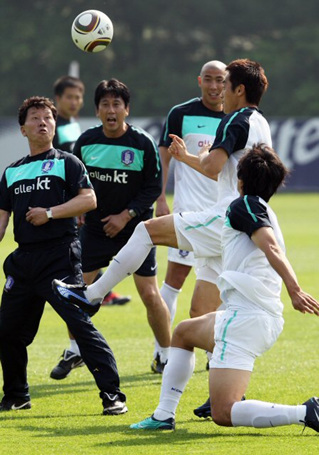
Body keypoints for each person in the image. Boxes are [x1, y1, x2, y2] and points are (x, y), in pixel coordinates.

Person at [52, 59, 271, 392]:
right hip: (241, 223)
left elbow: (213, 167)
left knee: (146, 230)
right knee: (197, 318)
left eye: (225, 85)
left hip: (227, 218)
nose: (219, 91)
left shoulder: (234, 120)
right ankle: (195, 400)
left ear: (239, 89)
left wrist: (184, 157)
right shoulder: (261, 122)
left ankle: (91, 296)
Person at [128, 143, 319, 432]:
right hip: (251, 316)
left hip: (246, 319)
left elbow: (270, 246)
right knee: (183, 332)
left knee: (224, 412)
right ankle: (163, 415)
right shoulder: (263, 208)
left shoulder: (243, 205)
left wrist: (294, 289)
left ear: (239, 180)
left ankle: (305, 412)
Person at [0, 96, 127, 415]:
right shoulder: (11, 172)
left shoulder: (67, 162)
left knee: (79, 324)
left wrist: (51, 213)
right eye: (35, 118)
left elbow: (89, 200)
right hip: (23, 261)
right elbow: (1, 222)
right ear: (22, 129)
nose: (42, 121)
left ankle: (113, 395)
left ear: (54, 126)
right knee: (7, 332)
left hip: (60, 256)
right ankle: (16, 395)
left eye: (47, 117)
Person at [51, 78, 171, 378]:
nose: (111, 109)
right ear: (98, 110)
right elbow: (73, 182)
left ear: (126, 109)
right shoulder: (87, 142)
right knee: (76, 289)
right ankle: (75, 349)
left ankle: (166, 355)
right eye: (105, 104)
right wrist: (76, 208)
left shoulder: (142, 143)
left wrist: (125, 216)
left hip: (136, 232)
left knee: (149, 293)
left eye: (117, 104)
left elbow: (152, 188)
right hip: (94, 230)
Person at [50, 76, 130, 381]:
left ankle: (100, 292)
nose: (74, 102)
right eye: (69, 97)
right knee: (71, 277)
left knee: (78, 276)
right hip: (69, 212)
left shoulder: (73, 127)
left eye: (78, 97)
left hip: (83, 210)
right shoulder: (55, 127)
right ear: (58, 98)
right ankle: (77, 342)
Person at [152, 60, 226, 374]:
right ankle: (163, 351)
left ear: (227, 83)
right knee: (174, 281)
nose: (213, 86)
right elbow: (164, 157)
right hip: (187, 213)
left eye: (219, 81)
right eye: (208, 80)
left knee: (221, 286)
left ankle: (215, 351)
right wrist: (160, 198)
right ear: (199, 81)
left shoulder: (234, 119)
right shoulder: (180, 113)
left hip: (221, 218)